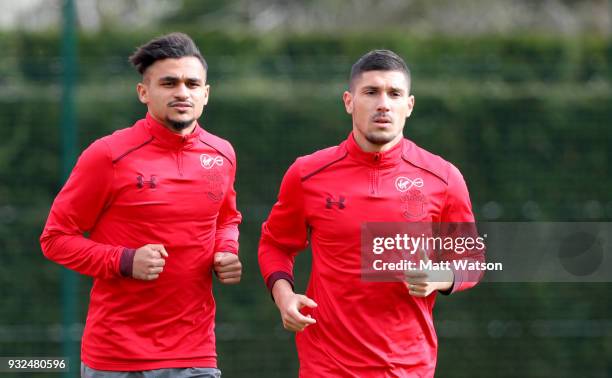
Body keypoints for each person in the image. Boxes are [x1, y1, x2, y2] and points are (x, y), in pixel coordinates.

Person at [258, 49, 483, 377]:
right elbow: (275, 244)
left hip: (407, 368)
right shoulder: (307, 174)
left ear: (409, 105)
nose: (383, 103)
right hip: (326, 367)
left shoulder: (443, 178)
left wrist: (440, 277)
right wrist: (284, 296)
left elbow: (472, 261)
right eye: (371, 92)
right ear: (349, 101)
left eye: (394, 94)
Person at [40, 32, 241, 378]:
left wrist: (225, 249)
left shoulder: (222, 154)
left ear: (205, 94)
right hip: (115, 357)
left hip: (194, 353)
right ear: (144, 93)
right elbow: (55, 239)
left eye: (192, 84)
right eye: (169, 82)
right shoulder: (108, 155)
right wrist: (125, 260)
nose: (182, 92)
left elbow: (227, 218)